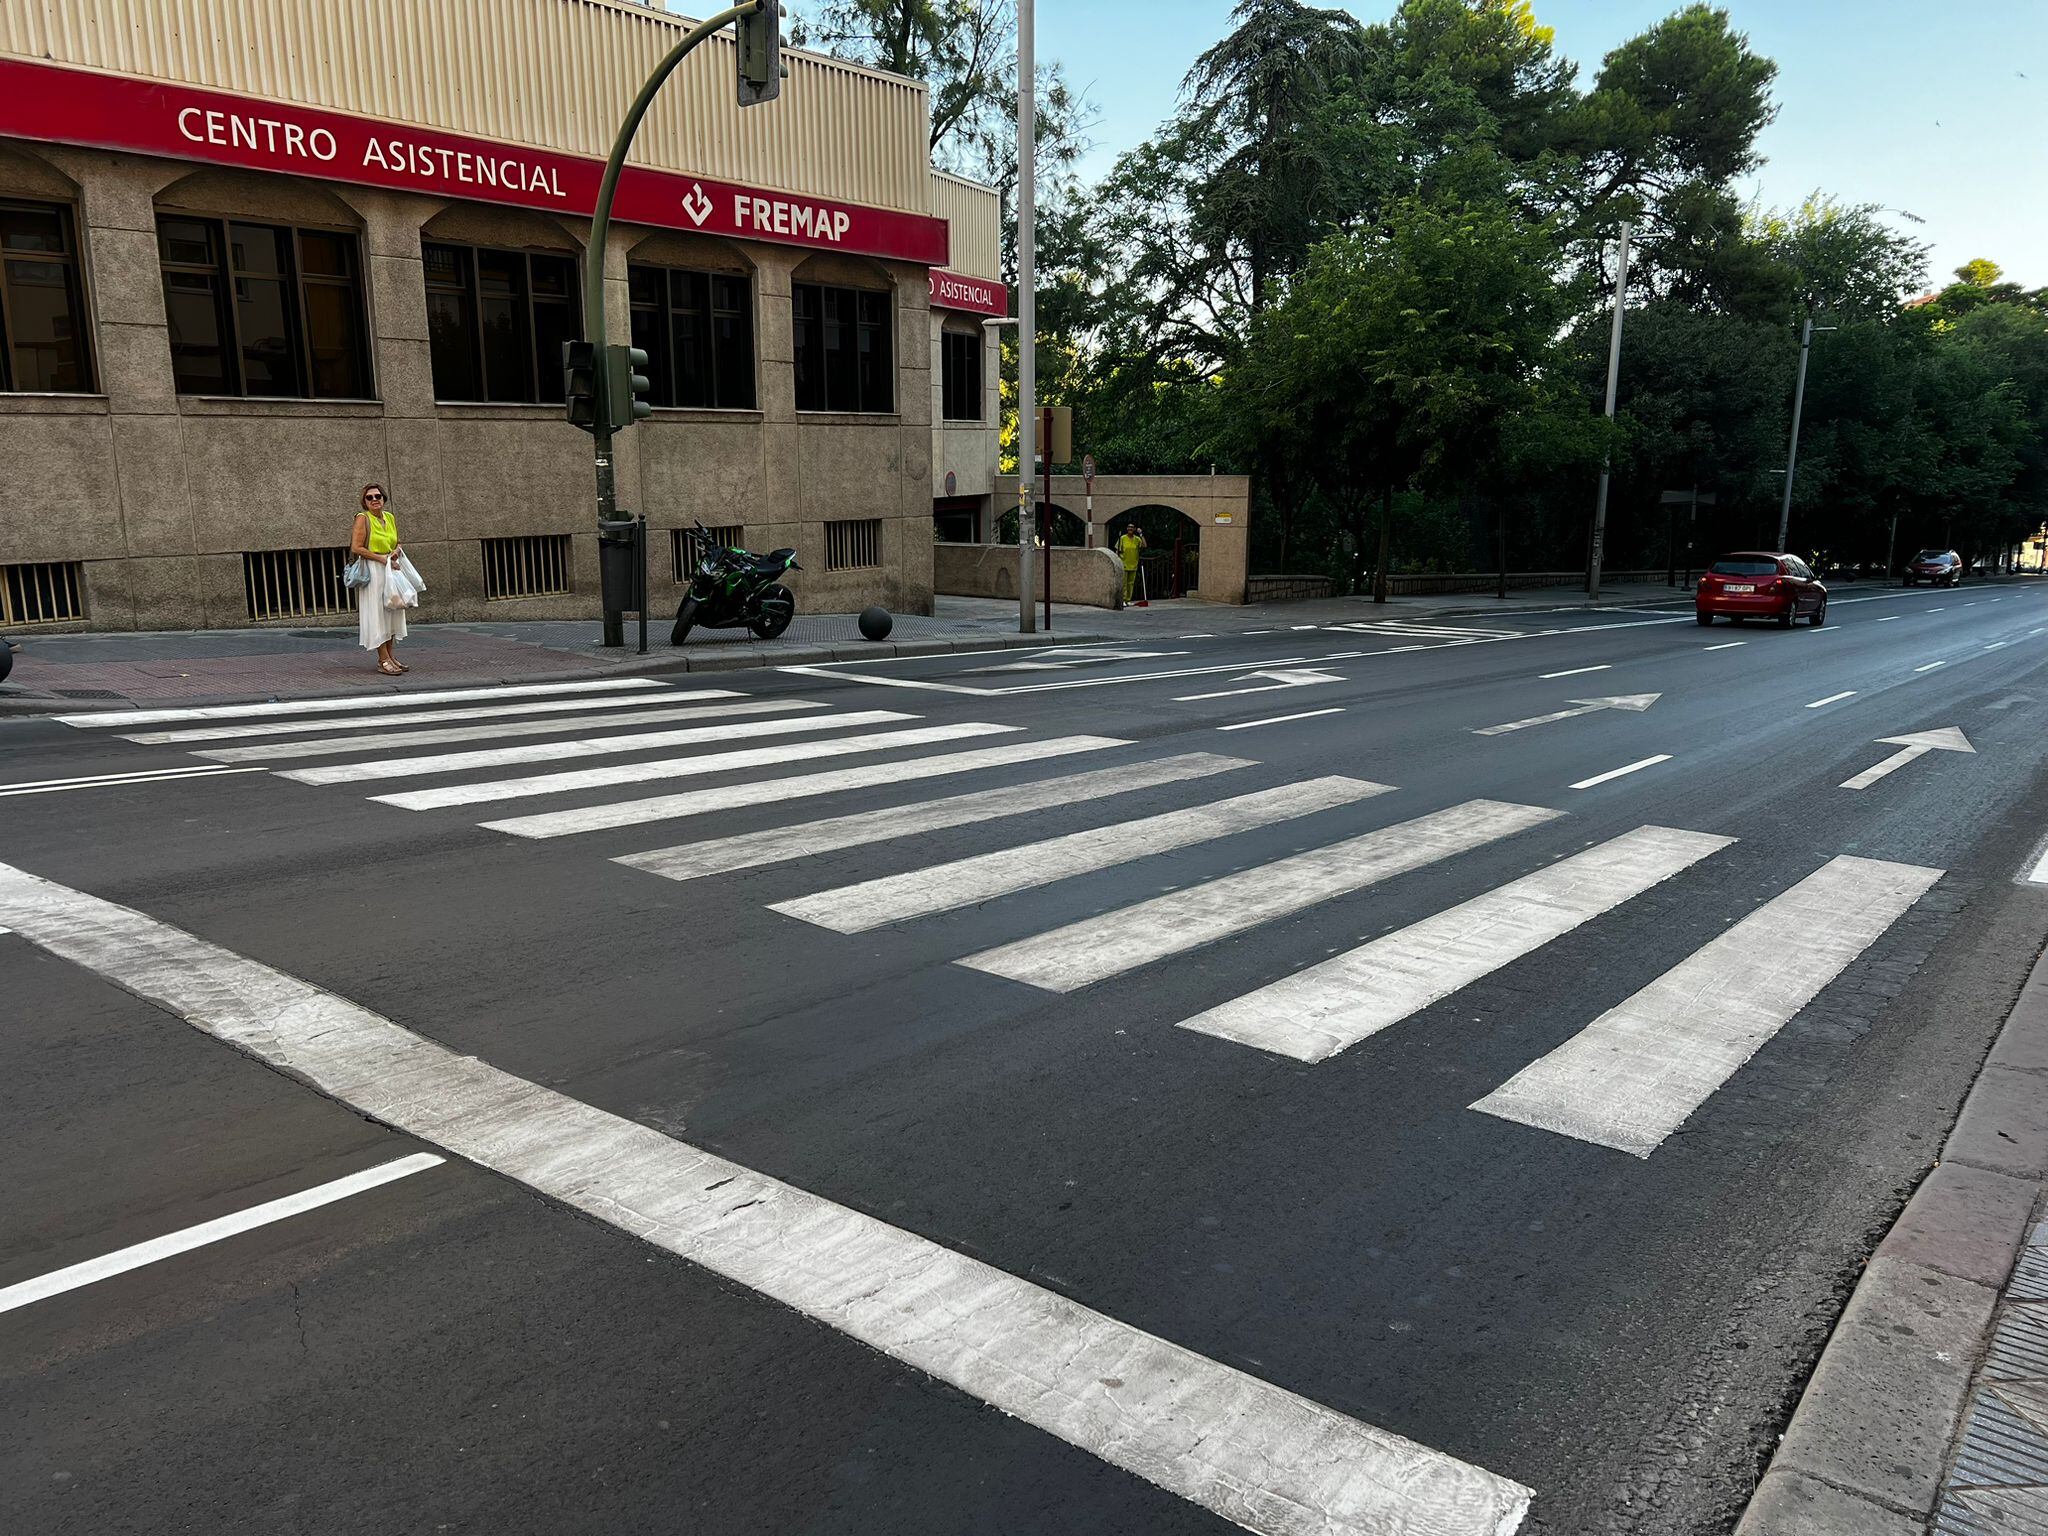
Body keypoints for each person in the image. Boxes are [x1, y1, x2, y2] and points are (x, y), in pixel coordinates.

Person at [351, 482, 409, 675]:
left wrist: (395, 551)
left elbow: (397, 540)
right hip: (374, 570)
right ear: (364, 502)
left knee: (391, 612)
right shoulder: (363, 519)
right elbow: (357, 548)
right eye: (370, 497)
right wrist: (383, 559)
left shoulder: (389, 517)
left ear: (384, 499)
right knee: (378, 615)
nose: (375, 500)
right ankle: (382, 659)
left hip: (390, 569)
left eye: (378, 496)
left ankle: (391, 656)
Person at [1116, 522, 1147, 603]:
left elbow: (1144, 545)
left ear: (1134, 529)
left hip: (1133, 564)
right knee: (1124, 583)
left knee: (1131, 583)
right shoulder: (1122, 538)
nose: (1130, 528)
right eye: (1129, 527)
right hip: (1124, 564)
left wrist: (1141, 534)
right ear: (1127, 528)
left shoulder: (1137, 539)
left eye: (1132, 527)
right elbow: (1118, 550)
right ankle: (1123, 600)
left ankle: (1128, 599)